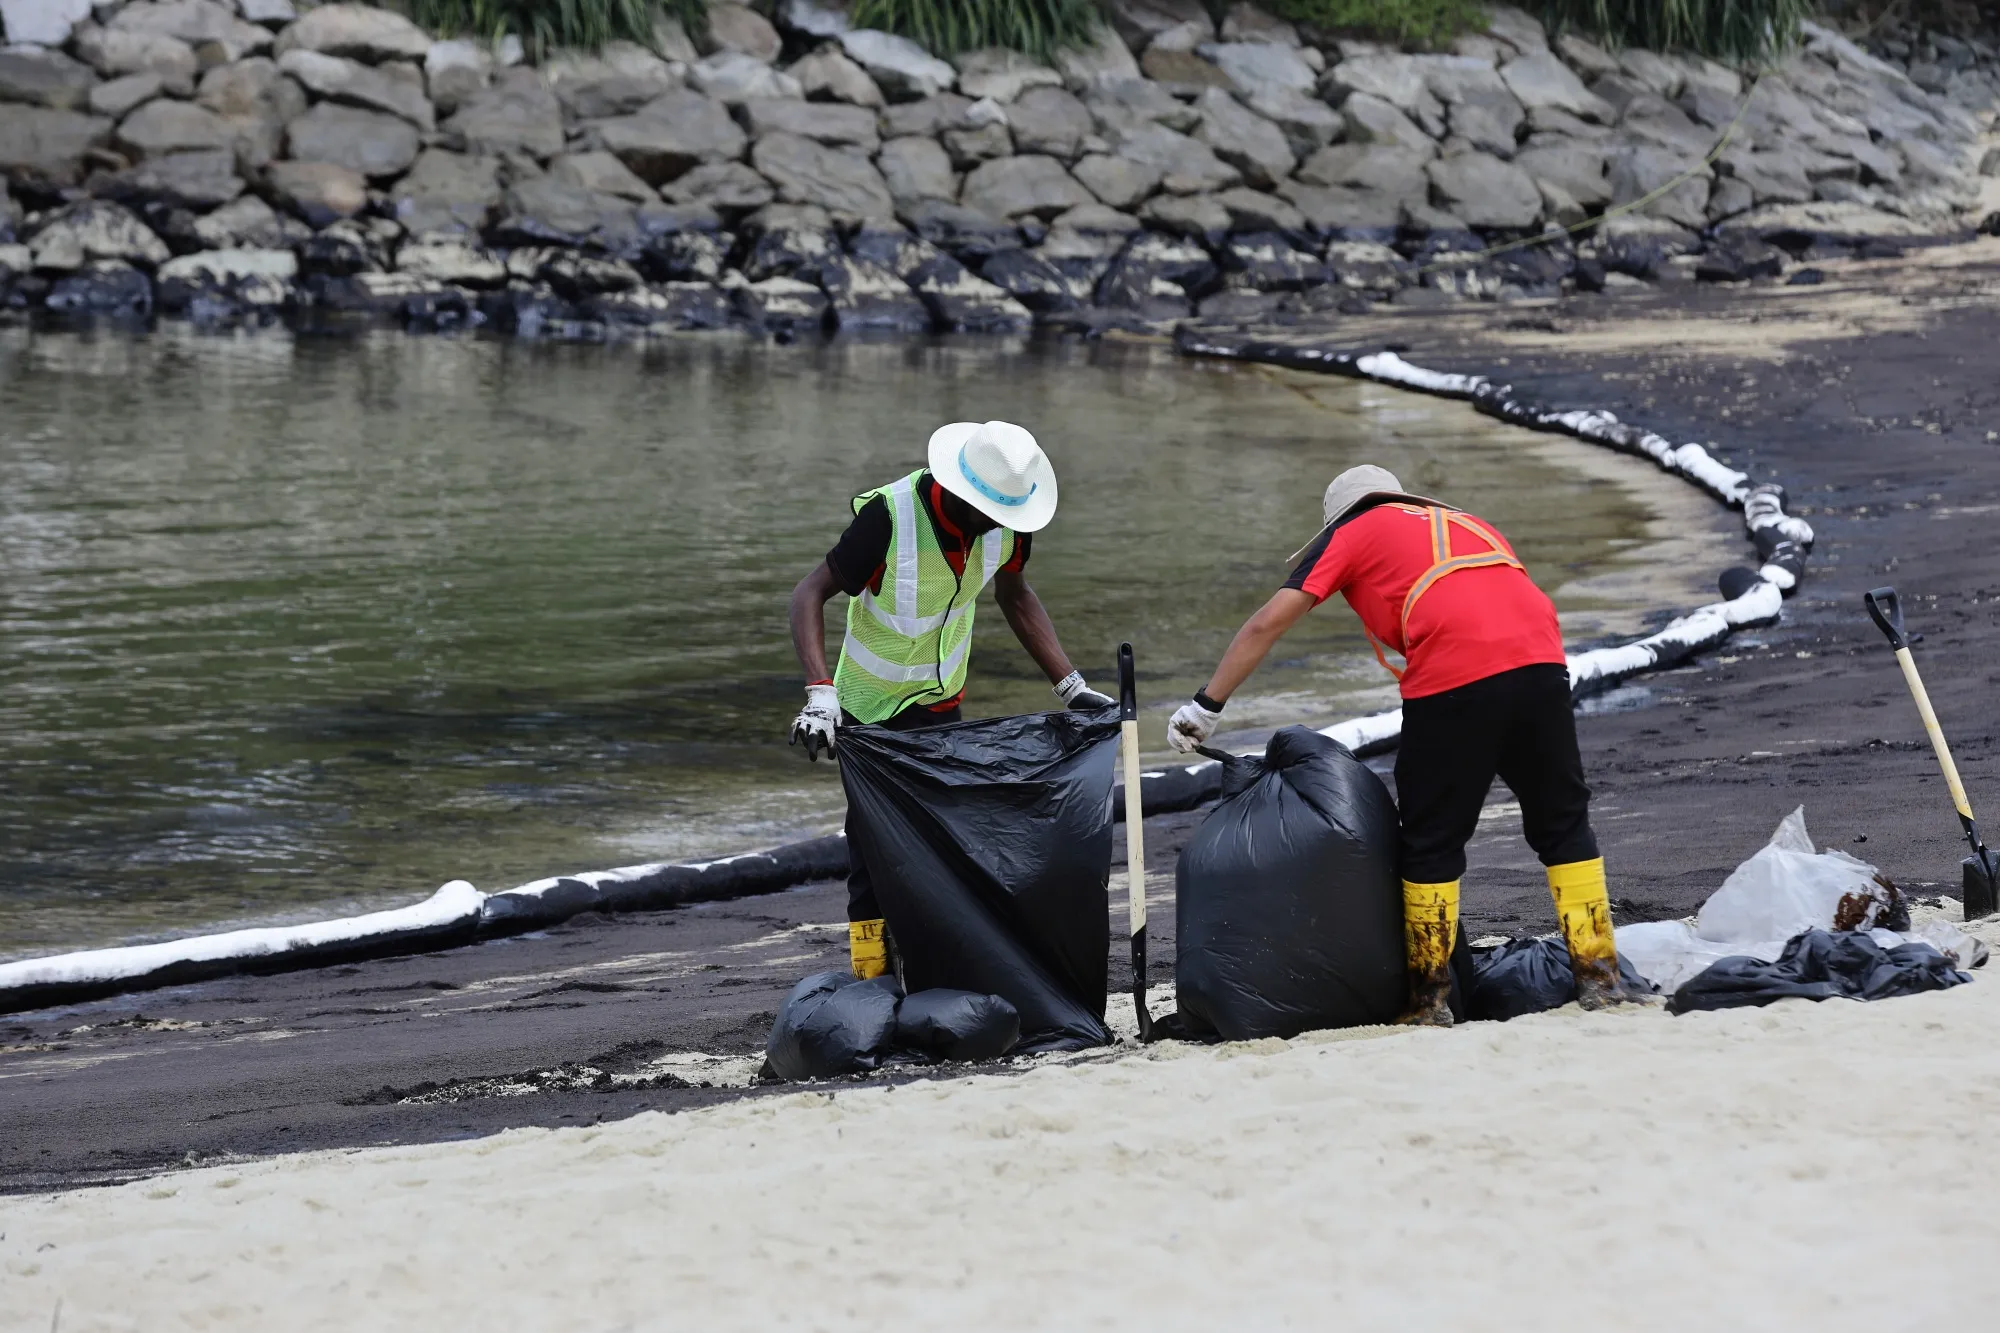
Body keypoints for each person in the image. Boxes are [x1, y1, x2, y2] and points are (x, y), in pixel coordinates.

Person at [1165, 465, 1637, 1025]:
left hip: (1455, 671)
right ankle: (1600, 979)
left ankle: (1429, 1000)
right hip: (1542, 662)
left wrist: (1205, 705)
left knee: (1431, 838)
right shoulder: (1469, 523)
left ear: (1338, 518)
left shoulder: (1354, 531)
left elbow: (1269, 622)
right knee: (1562, 822)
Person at [788, 419, 1113, 980]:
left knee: (942, 841)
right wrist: (820, 695)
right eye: (991, 512)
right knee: (871, 854)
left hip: (942, 706)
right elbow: (808, 593)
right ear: (961, 494)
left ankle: (935, 969)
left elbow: (1016, 596)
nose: (999, 525)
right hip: (867, 711)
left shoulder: (1007, 524)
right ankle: (871, 976)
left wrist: (1071, 685)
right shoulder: (889, 516)